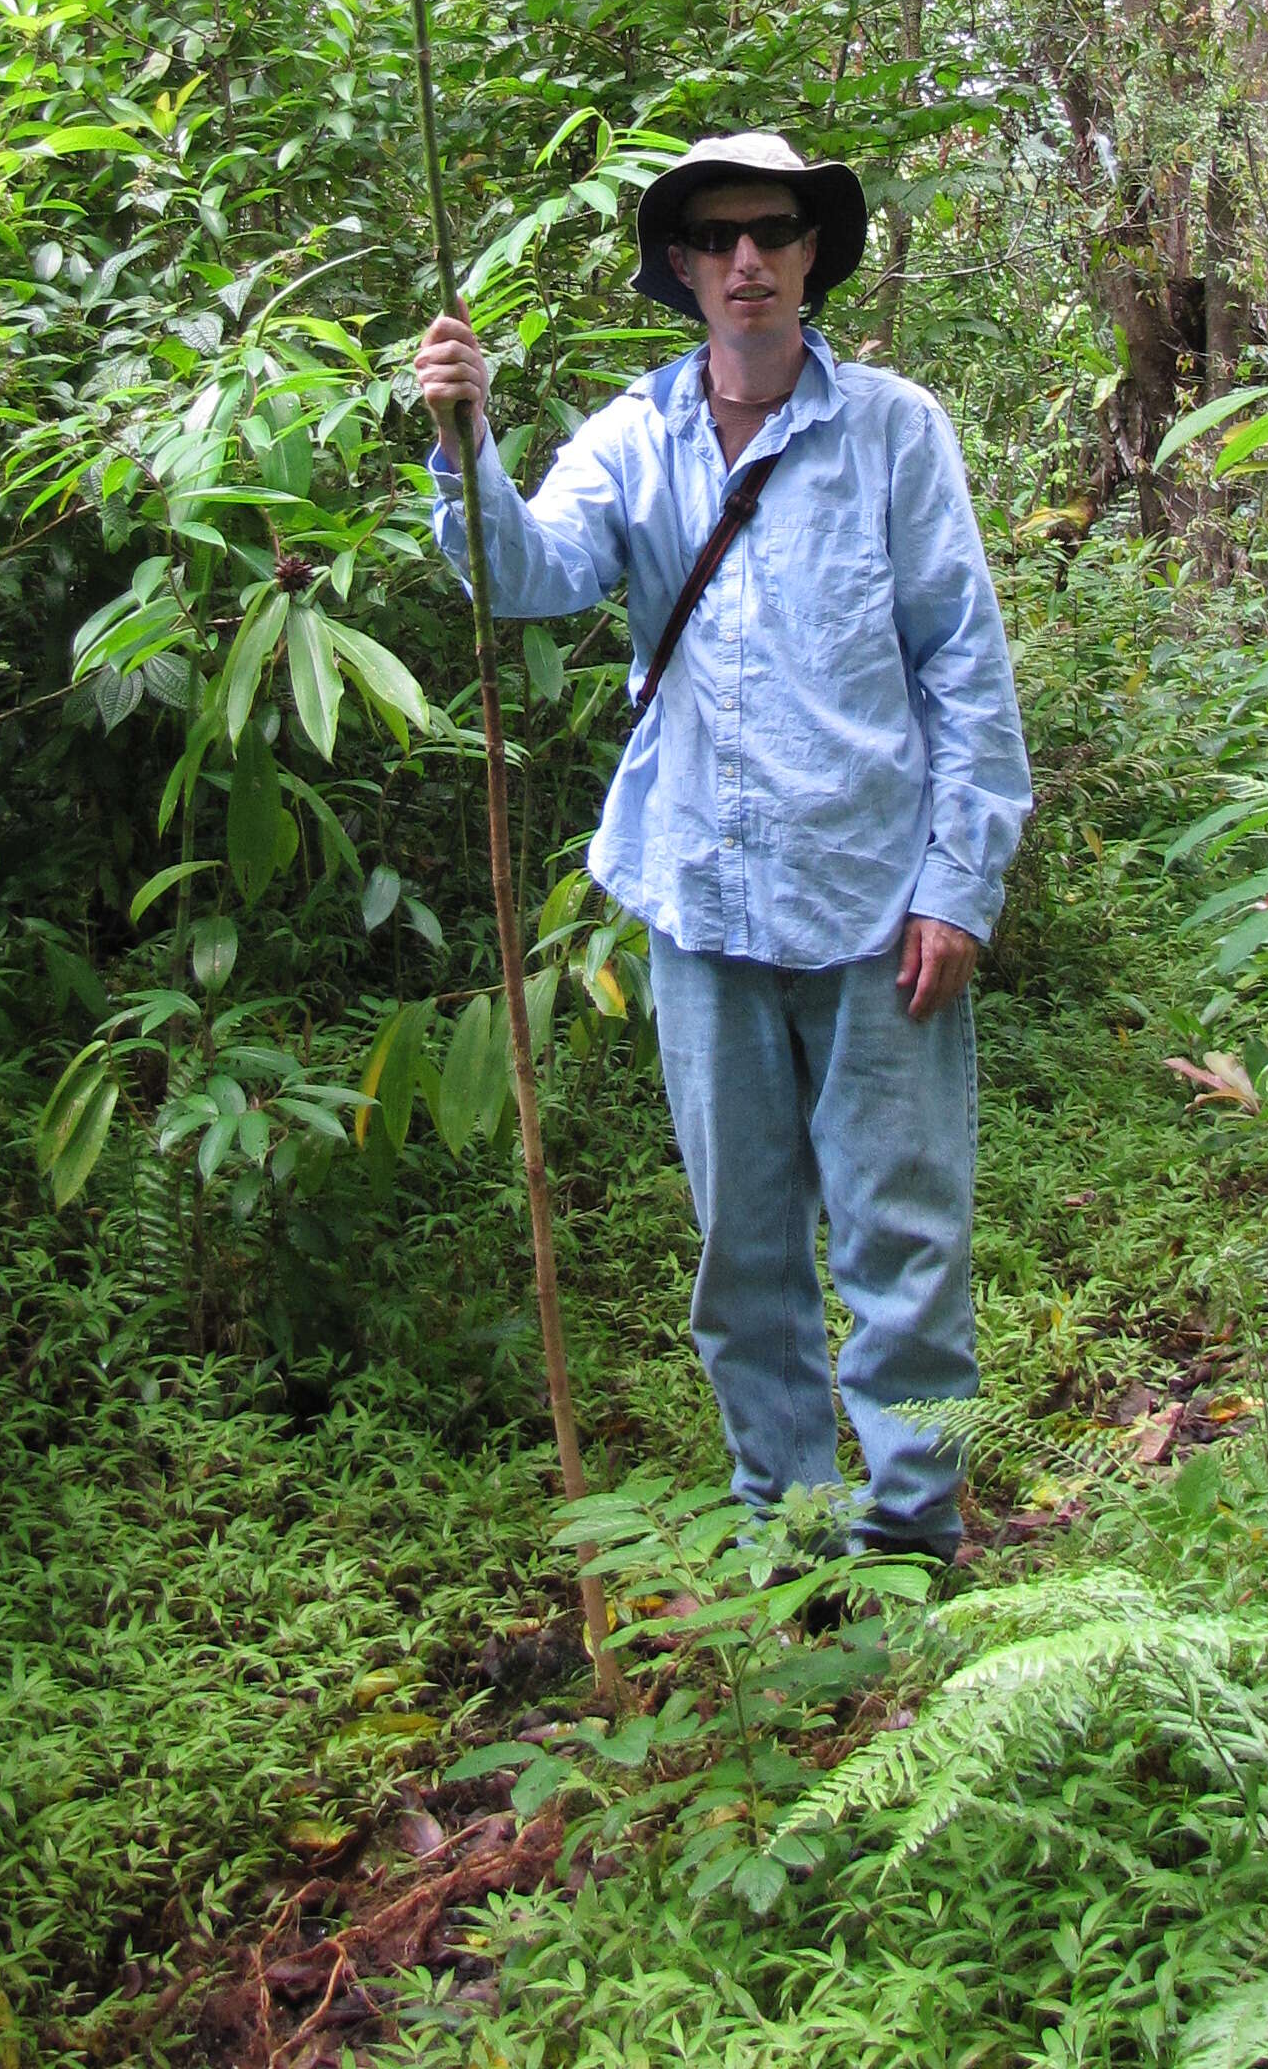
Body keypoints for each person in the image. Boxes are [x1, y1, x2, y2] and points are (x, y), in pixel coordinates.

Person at [415, 130, 1030, 1562]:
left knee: (905, 1252)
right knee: (743, 1261)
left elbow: (966, 670)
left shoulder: (894, 430)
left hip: (883, 909)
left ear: (815, 255)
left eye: (773, 232)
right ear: (683, 269)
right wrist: (469, 442)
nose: (746, 259)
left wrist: (962, 883)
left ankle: (911, 1551)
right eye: (717, 238)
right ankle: (791, 1550)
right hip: (703, 907)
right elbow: (526, 579)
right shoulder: (636, 437)